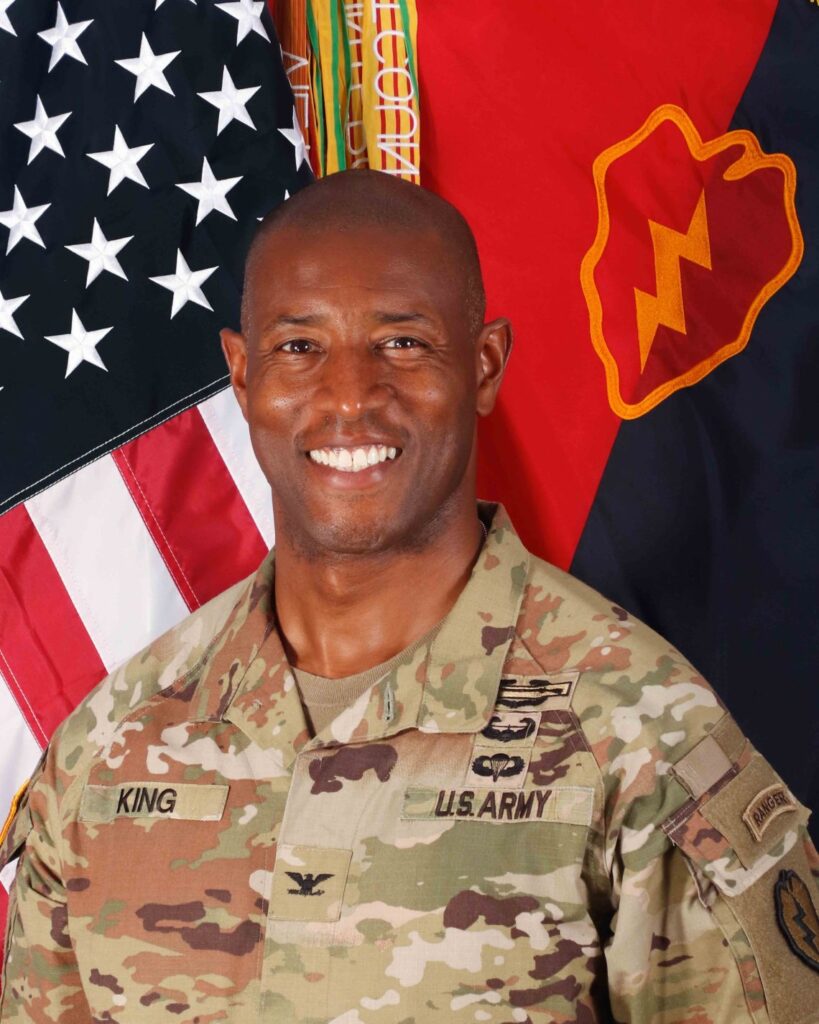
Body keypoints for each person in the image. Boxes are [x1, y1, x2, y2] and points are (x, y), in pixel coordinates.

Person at [0, 170, 816, 1024]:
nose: (351, 396)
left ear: (484, 365)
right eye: (299, 347)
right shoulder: (110, 745)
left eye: (401, 343)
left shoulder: (641, 734)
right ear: (241, 376)